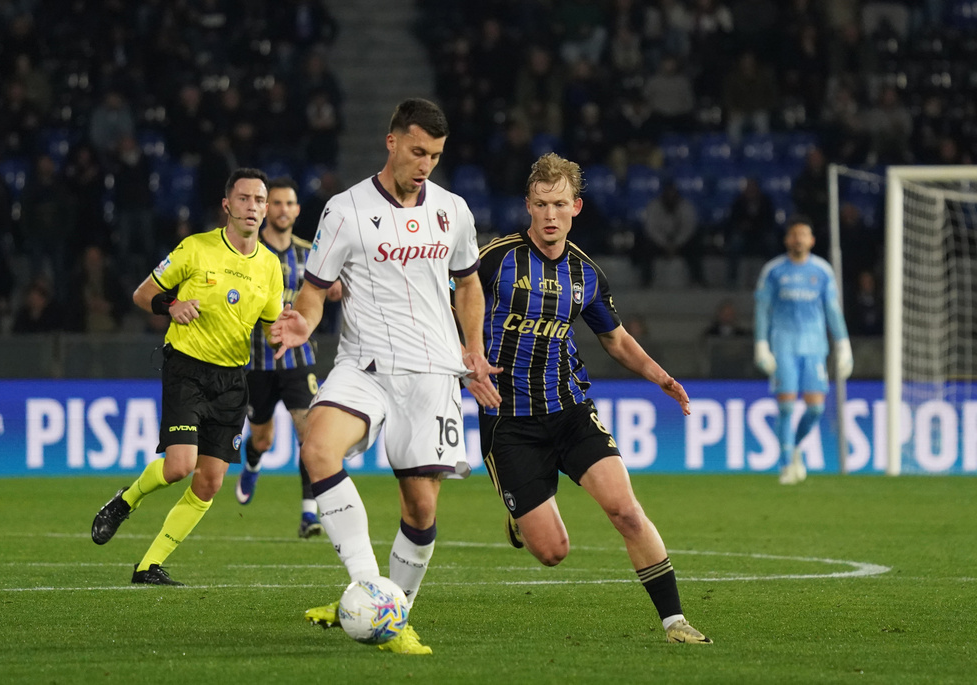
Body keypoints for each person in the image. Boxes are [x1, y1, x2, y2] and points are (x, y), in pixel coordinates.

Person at [268, 98, 501, 655]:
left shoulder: (453, 210)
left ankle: (396, 613)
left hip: (433, 374)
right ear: (392, 142)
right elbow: (315, 289)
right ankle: (370, 591)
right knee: (317, 448)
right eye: (418, 151)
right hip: (365, 365)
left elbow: (468, 284)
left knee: (421, 508)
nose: (426, 164)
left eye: (435, 155)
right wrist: (304, 321)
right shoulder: (344, 210)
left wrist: (473, 348)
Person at [476, 152, 711, 645]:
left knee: (626, 510)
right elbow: (450, 306)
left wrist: (660, 377)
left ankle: (675, 622)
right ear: (528, 205)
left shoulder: (585, 274)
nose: (550, 215)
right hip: (510, 420)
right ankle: (521, 517)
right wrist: (465, 358)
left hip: (570, 410)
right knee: (553, 552)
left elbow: (615, 339)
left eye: (560, 204)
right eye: (541, 204)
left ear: (576, 207)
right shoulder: (495, 259)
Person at [91, 168, 303, 585]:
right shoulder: (196, 248)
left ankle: (148, 566)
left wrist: (283, 332)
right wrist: (171, 306)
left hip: (232, 379)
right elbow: (142, 294)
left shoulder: (270, 266)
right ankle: (125, 501)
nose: (253, 207)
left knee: (209, 483)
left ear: (265, 211)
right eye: (244, 198)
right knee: (179, 466)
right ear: (227, 205)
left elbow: (270, 323)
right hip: (187, 368)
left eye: (259, 200)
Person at [235, 176, 341, 541]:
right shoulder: (247, 252)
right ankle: (252, 462)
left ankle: (309, 513)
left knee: (309, 435)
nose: (283, 210)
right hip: (257, 362)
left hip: (299, 360)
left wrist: (337, 288)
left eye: (289, 203)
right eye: (276, 203)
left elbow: (332, 288)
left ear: (297, 210)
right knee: (262, 438)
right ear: (267, 210)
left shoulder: (311, 253)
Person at [754, 217, 853, 485]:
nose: (799, 239)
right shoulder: (774, 270)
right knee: (786, 406)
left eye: (804, 235)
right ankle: (786, 465)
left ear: (812, 240)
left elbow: (832, 310)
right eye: (794, 234)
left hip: (815, 347)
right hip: (783, 345)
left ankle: (795, 447)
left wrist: (843, 345)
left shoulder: (822, 271)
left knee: (816, 409)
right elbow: (762, 309)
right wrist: (761, 345)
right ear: (787, 239)